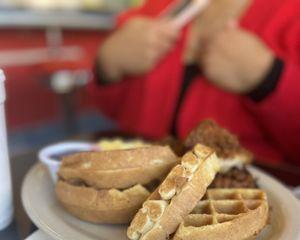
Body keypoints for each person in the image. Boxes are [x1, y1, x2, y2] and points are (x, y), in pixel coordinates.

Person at [90, 0, 300, 165]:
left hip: (245, 196)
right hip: (137, 183)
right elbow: (112, 110)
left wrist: (270, 77)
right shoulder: (154, 8)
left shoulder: (292, 16)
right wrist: (107, 63)